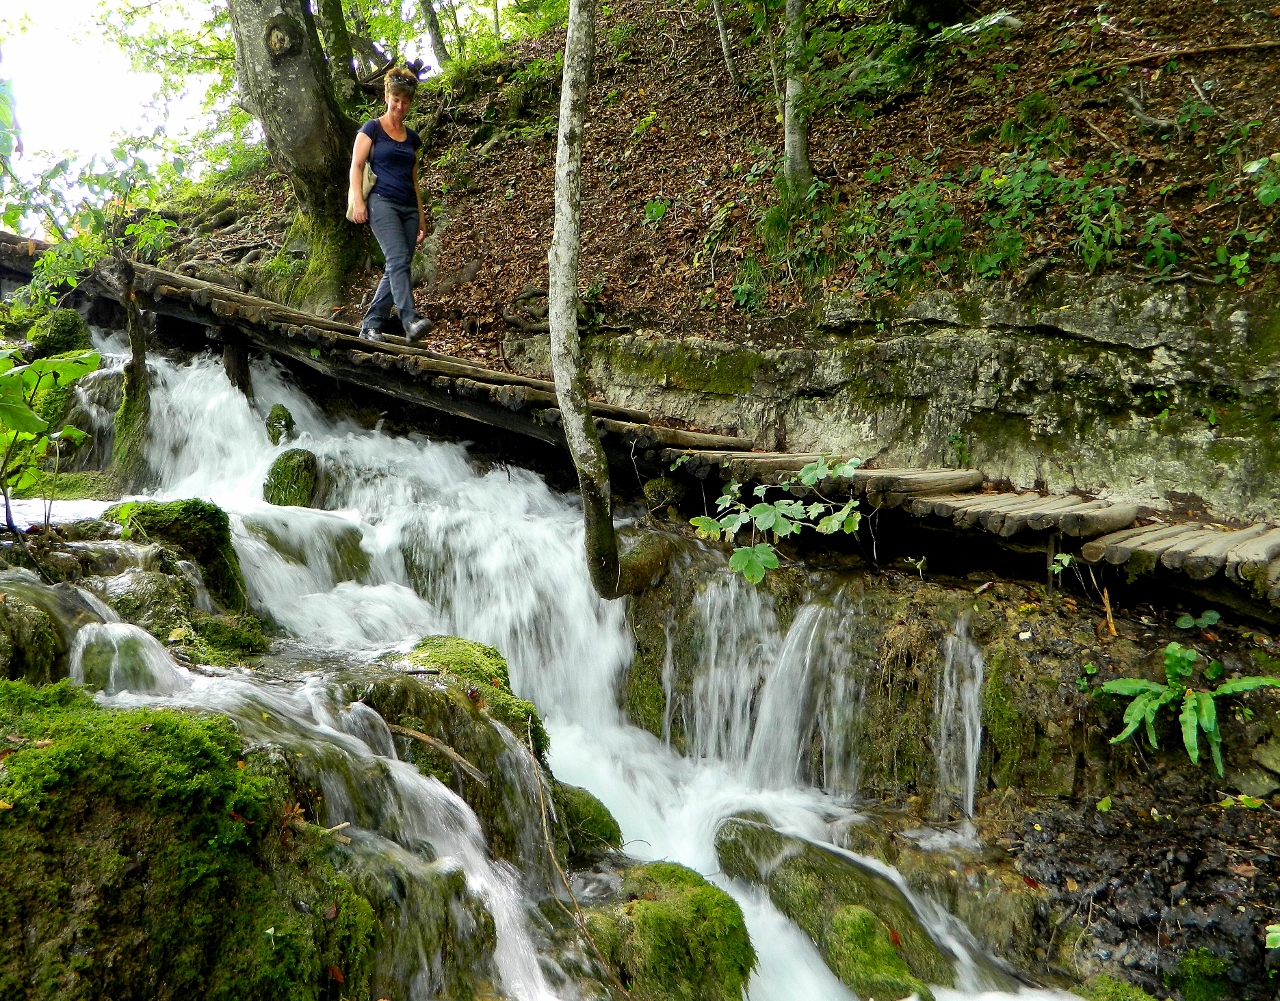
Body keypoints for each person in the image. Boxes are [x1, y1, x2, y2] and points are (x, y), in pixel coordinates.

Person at [349, 67, 432, 342]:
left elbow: (414, 179)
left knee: (398, 264)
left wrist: (421, 216)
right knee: (397, 260)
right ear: (387, 97)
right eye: (396, 99)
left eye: (405, 102)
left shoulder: (412, 139)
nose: (399, 106)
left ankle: (370, 325)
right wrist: (358, 201)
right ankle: (410, 320)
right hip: (382, 203)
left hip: (408, 208)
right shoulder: (371, 129)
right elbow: (356, 166)